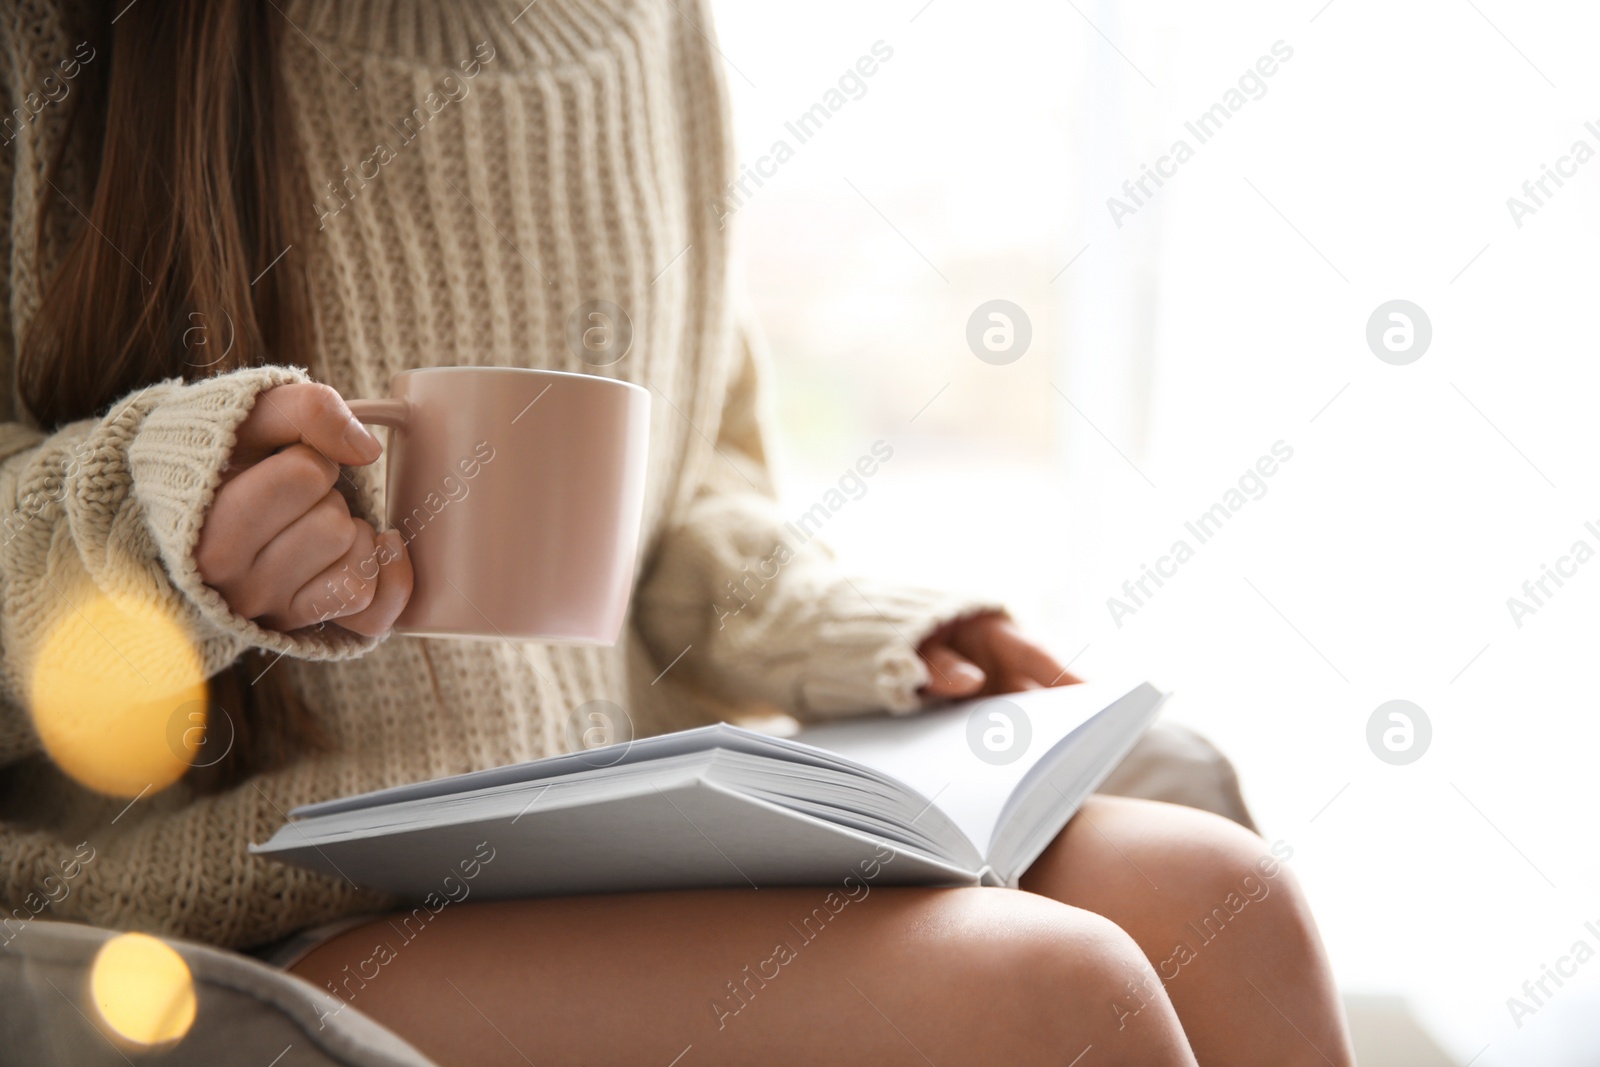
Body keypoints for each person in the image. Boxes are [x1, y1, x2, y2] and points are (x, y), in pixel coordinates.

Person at [0, 1, 1355, 1064]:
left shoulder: (653, 23)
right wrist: (157, 526)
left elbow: (693, 480)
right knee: (1051, 998)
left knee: (1231, 904)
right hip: (244, 911)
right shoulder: (55, 40)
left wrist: (863, 636)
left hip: (603, 841)